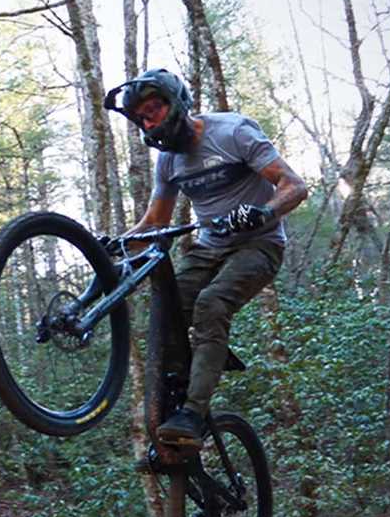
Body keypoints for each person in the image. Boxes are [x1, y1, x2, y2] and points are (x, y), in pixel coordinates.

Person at [107, 68, 308, 448]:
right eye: (144, 117)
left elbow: (294, 186)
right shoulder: (168, 162)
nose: (151, 121)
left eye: (155, 109)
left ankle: (193, 414)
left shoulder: (232, 132)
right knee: (167, 310)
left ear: (177, 102)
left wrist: (263, 212)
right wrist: (114, 246)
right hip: (209, 246)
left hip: (260, 244)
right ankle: (190, 378)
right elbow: (155, 222)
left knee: (211, 304)